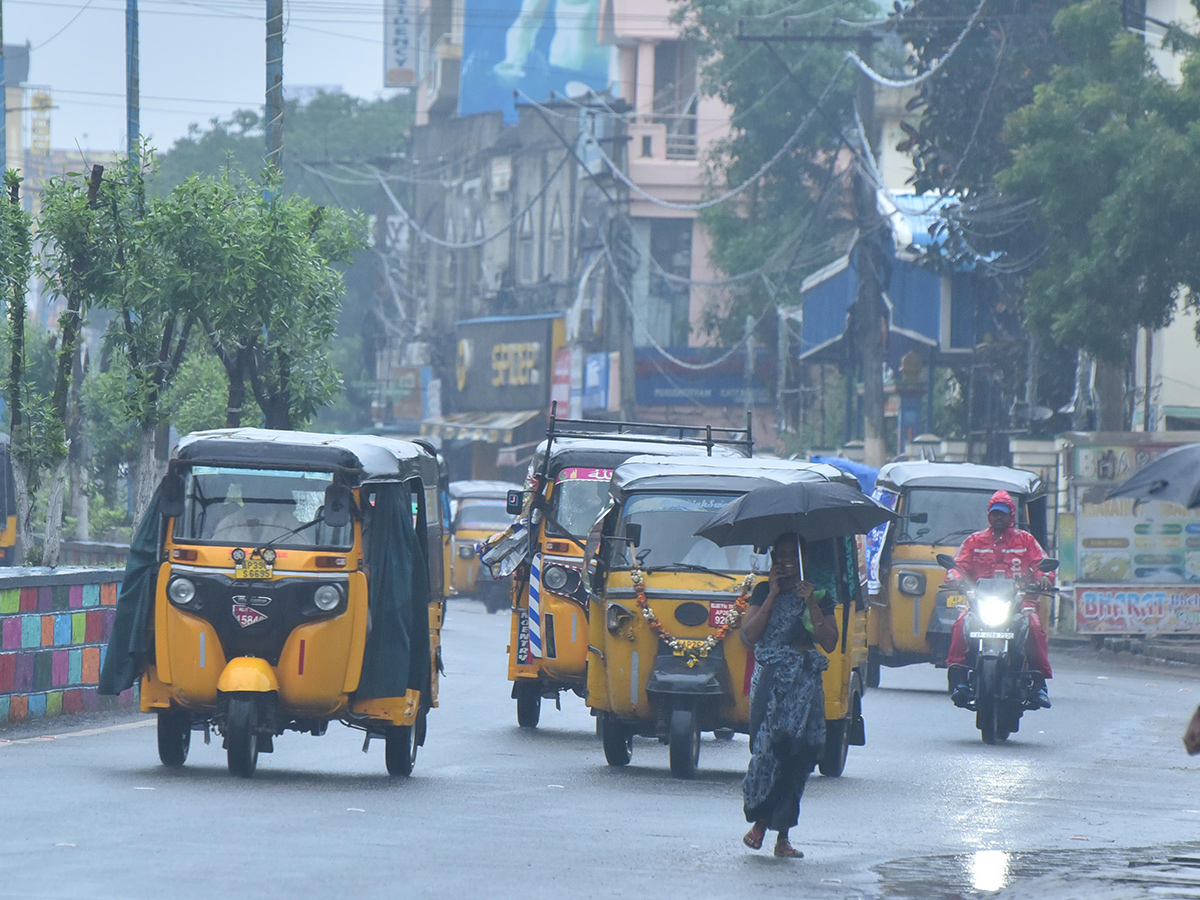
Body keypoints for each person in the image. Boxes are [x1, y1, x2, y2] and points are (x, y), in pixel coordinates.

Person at [740, 533, 839, 860]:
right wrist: (772, 597)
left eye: (791, 556)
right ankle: (759, 820)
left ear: (803, 559)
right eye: (779, 556)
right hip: (771, 683)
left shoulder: (819, 596)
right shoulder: (762, 592)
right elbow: (749, 635)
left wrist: (810, 601)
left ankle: (781, 836)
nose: (785, 562)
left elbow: (830, 641)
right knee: (768, 751)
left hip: (805, 686)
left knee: (800, 755)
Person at [944, 490, 1054, 709]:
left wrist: (1044, 578)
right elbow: (957, 567)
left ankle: (1039, 684)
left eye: (1003, 514)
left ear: (1011, 515)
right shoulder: (974, 541)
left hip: (1019, 603)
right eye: (994, 513)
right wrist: (955, 578)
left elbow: (1042, 565)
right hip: (980, 604)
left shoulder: (1026, 540)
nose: (998, 518)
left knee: (1034, 627)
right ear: (989, 515)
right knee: (960, 624)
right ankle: (958, 679)